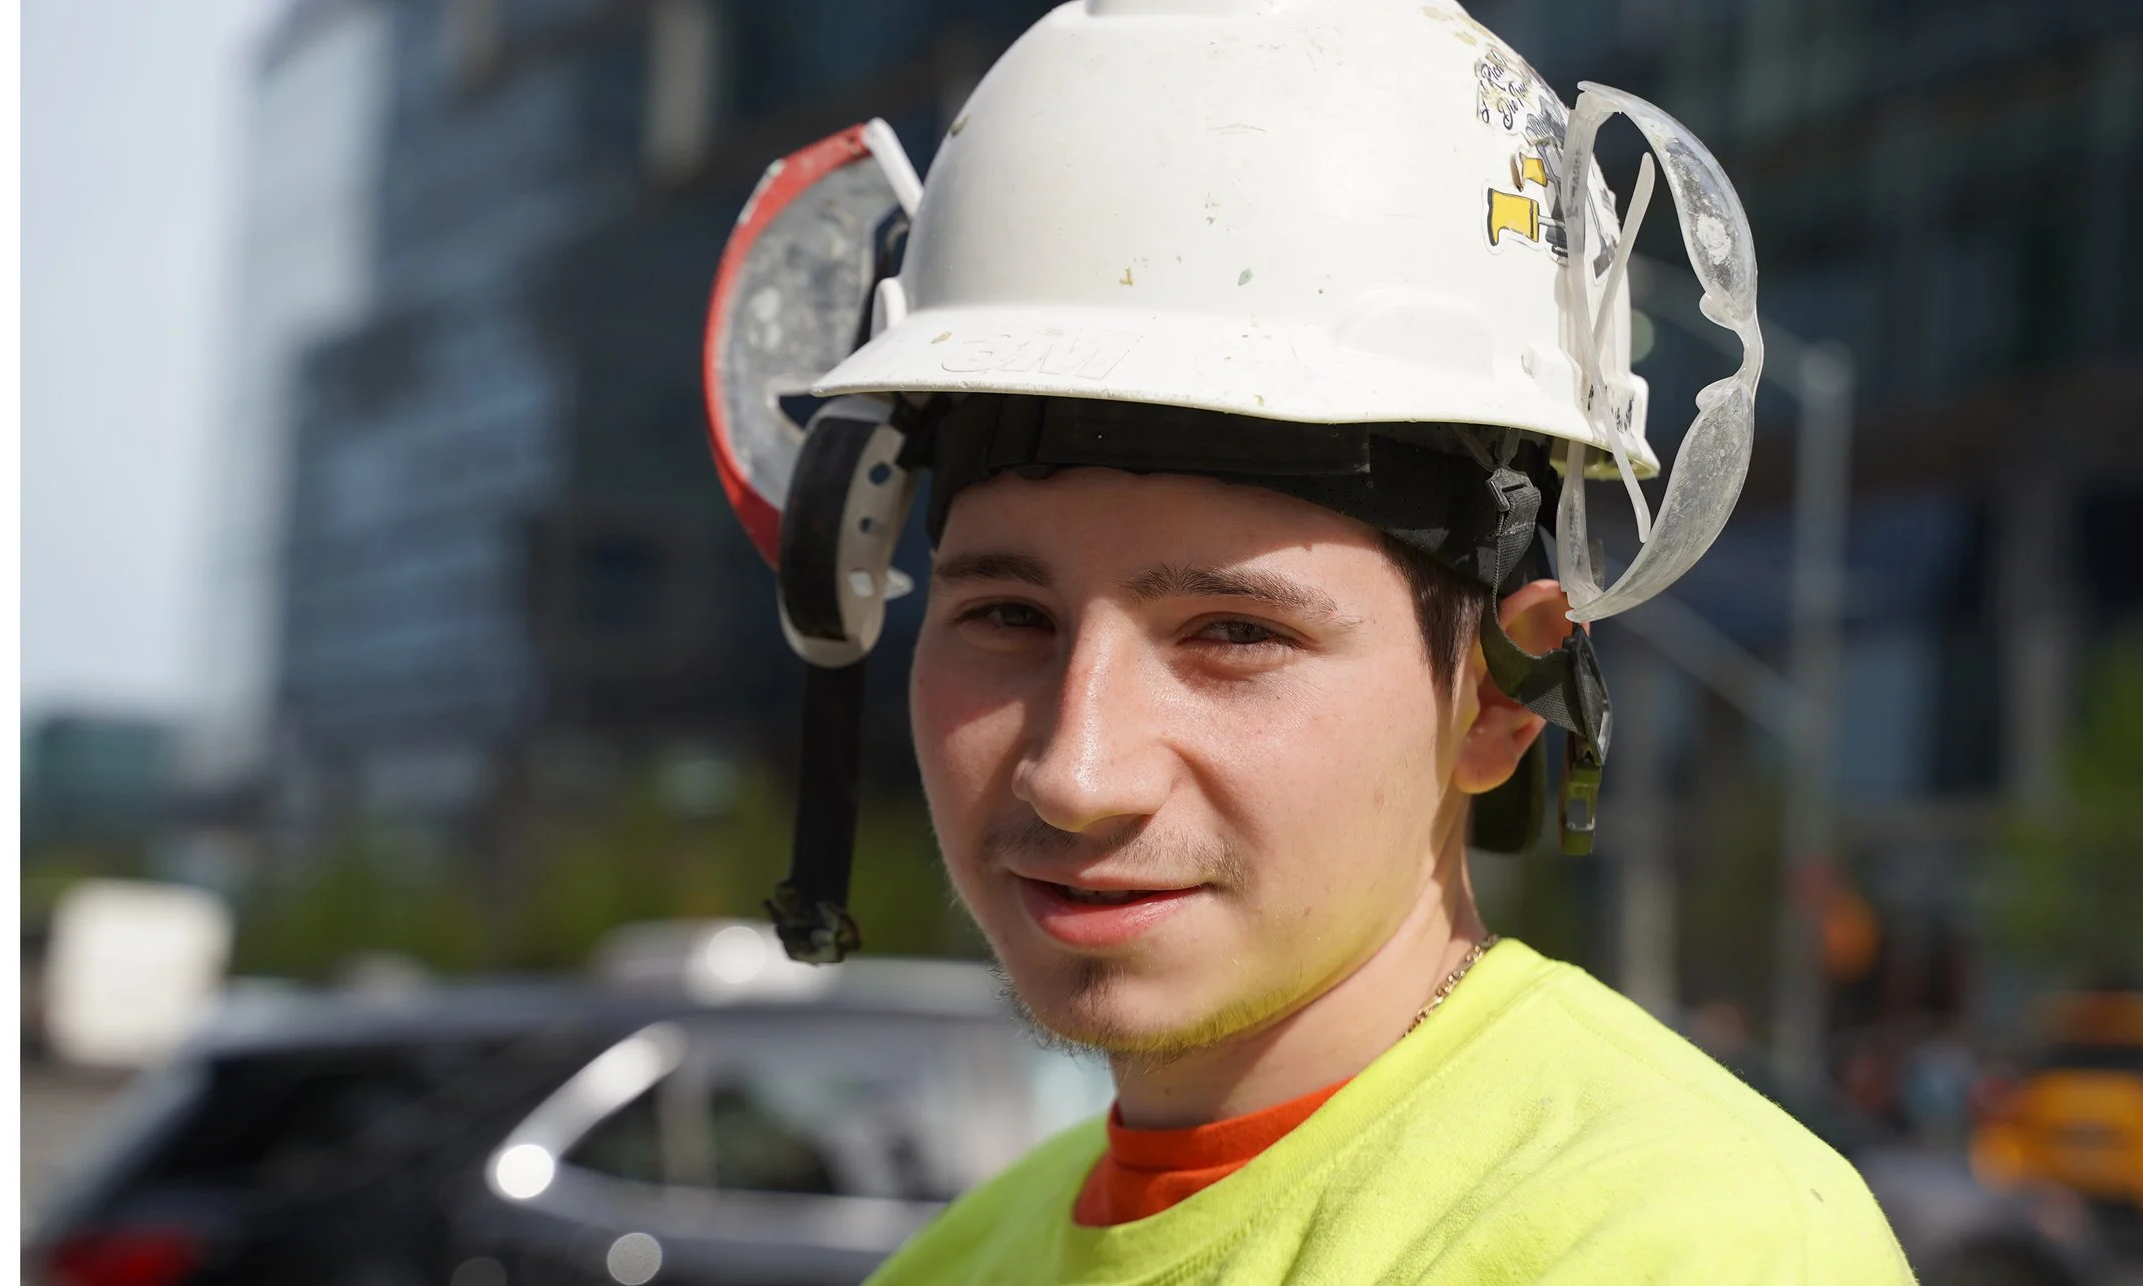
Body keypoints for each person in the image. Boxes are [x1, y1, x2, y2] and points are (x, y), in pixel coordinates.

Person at [700, 2, 1915, 1281]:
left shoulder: (1674, 1240)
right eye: (1008, 616)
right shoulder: (955, 1260)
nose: (1076, 768)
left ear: (1501, 698)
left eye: (1233, 633)